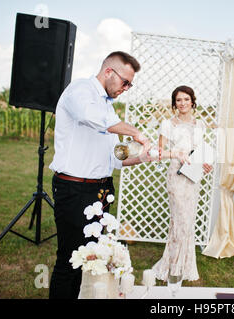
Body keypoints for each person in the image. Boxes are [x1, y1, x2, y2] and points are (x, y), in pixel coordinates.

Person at [48, 51, 155, 299]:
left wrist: (143, 156)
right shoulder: (80, 91)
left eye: (130, 84)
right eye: (125, 82)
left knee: (87, 257)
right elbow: (91, 118)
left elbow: (115, 155)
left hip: (101, 191)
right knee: (70, 260)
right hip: (74, 189)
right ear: (109, 72)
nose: (126, 88)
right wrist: (137, 132)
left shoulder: (107, 106)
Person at [152, 86, 213, 282]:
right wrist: (176, 155)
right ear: (174, 103)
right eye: (179, 100)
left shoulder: (200, 124)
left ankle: (182, 264)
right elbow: (158, 153)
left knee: (187, 220)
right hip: (176, 176)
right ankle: (173, 267)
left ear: (193, 101)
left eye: (186, 99)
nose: (183, 103)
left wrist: (206, 164)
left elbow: (199, 150)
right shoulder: (168, 124)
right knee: (180, 221)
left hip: (192, 176)